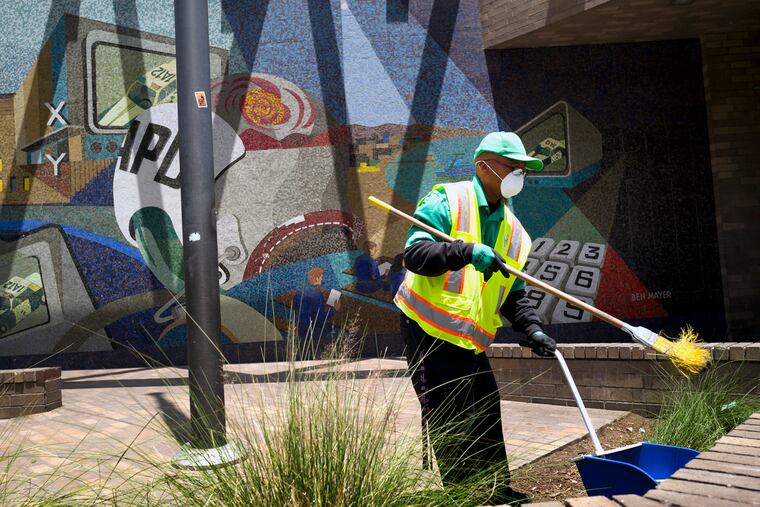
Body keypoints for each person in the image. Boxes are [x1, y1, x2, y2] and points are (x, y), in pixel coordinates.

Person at [395, 132, 557, 505]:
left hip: (468, 337)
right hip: (426, 327)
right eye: (512, 167)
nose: (519, 174)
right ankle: (465, 496)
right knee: (451, 413)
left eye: (523, 169)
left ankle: (498, 491)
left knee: (485, 409)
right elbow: (415, 256)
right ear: (483, 165)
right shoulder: (447, 200)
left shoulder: (515, 234)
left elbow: (513, 292)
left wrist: (531, 327)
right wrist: (464, 252)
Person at [294, 267, 338, 339]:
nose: (322, 279)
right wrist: (333, 310)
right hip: (313, 331)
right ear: (317, 278)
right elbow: (320, 318)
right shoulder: (317, 295)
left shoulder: (299, 292)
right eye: (321, 277)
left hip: (300, 328)